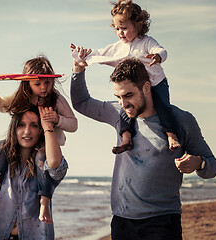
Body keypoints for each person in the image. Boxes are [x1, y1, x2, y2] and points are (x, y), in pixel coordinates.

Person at [70, 57, 216, 240]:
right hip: (122, 221)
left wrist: (198, 163)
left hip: (162, 222)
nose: (123, 104)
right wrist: (78, 69)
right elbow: (81, 102)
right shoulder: (118, 114)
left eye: (128, 95)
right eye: (118, 97)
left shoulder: (182, 120)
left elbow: (213, 167)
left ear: (146, 88)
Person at [71, 0, 180, 154]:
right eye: (117, 28)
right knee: (125, 110)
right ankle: (126, 139)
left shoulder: (146, 42)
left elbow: (161, 50)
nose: (120, 32)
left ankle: (171, 135)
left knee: (163, 107)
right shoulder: (118, 47)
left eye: (124, 28)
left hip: (156, 82)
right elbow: (99, 54)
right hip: (134, 89)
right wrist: (81, 54)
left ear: (138, 25)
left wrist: (158, 56)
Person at [0, 83, 68, 239]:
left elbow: (55, 166)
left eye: (34, 125)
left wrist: (48, 127)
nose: (27, 131)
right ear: (14, 128)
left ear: (40, 130)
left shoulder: (45, 159)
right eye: (21, 125)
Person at [0, 56, 77, 224]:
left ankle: (44, 202)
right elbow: (3, 106)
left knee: (42, 161)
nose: (43, 88)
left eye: (47, 83)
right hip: (23, 143)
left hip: (46, 146)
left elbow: (74, 124)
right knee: (4, 146)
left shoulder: (56, 98)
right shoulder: (22, 95)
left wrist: (57, 119)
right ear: (27, 83)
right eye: (38, 83)